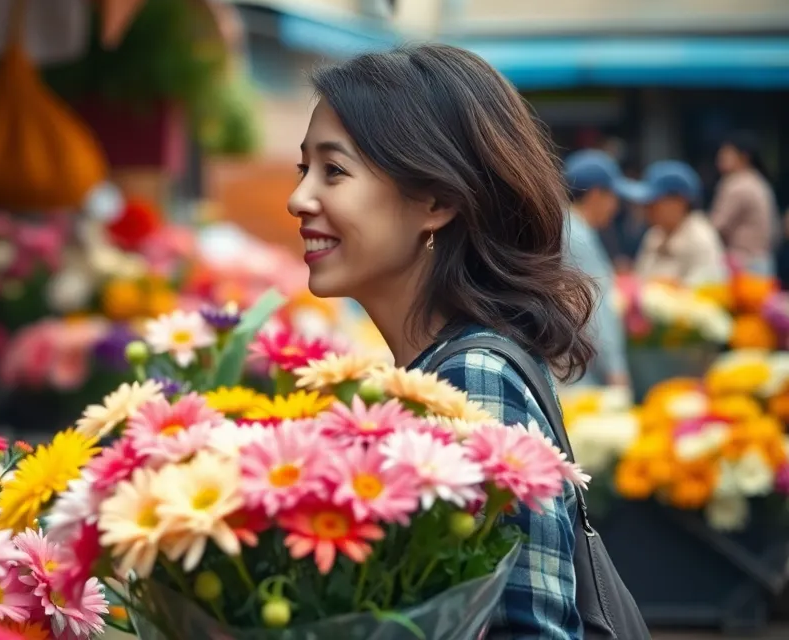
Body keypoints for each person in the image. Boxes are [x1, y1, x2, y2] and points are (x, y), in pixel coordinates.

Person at [289, 43, 591, 640]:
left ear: (437, 201)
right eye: (304, 169)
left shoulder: (474, 379)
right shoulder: (424, 375)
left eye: (335, 170)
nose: (299, 198)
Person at [563, 150, 643, 392]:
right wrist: (616, 370)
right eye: (614, 197)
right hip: (578, 372)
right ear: (596, 194)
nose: (616, 207)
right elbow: (594, 306)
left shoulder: (567, 226)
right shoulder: (576, 235)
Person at [633, 160, 729, 286]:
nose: (647, 208)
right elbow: (639, 281)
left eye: (653, 201)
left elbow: (708, 290)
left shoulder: (699, 237)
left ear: (679, 202)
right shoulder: (654, 235)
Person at [710, 132, 779, 276]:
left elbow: (716, 225)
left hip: (742, 263)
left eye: (726, 155)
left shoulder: (737, 184)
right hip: (764, 260)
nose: (720, 160)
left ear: (743, 157)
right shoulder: (758, 181)